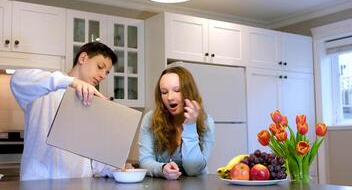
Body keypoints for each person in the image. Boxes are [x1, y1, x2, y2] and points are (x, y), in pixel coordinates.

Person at [10, 42, 118, 180]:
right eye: (100, 67)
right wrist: (70, 82)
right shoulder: (45, 88)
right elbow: (17, 78)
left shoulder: (93, 102)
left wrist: (113, 168)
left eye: (106, 72)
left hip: (80, 185)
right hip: (38, 184)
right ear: (83, 58)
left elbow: (94, 157)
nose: (103, 75)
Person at [138, 66, 215, 180]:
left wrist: (190, 126)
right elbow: (144, 160)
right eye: (164, 92)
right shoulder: (150, 119)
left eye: (177, 90)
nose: (169, 97)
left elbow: (192, 170)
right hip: (161, 188)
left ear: (188, 92)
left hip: (196, 188)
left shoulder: (206, 122)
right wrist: (162, 168)